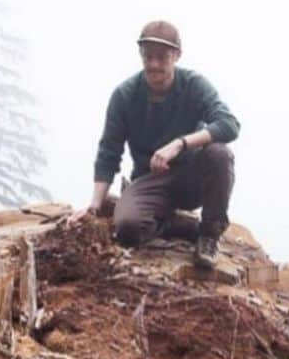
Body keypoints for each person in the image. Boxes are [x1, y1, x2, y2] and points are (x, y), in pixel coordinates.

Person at [69, 20, 239, 268]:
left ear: (177, 55)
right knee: (127, 230)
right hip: (150, 180)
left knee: (219, 154)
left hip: (192, 176)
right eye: (148, 57)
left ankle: (209, 234)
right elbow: (109, 152)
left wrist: (181, 144)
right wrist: (95, 206)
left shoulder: (194, 86)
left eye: (162, 57)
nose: (154, 64)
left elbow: (229, 124)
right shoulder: (125, 96)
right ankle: (171, 223)